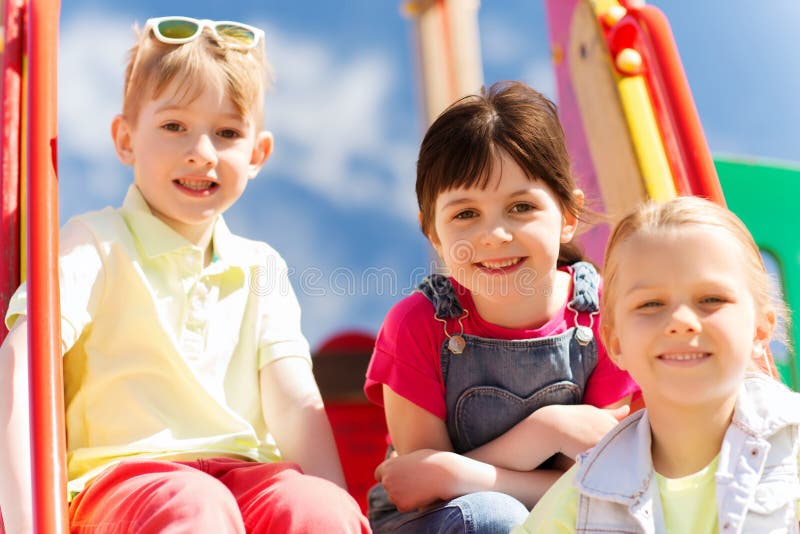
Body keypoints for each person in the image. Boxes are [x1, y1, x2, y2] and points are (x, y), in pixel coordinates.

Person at [0, 16, 369, 533]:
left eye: (227, 132)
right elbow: (23, 362)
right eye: (174, 126)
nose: (202, 151)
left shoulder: (261, 266)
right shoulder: (96, 243)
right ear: (126, 139)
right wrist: (27, 523)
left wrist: (337, 505)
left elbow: (294, 404)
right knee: (194, 505)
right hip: (126, 483)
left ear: (257, 153)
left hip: (246, 479)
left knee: (315, 508)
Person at [363, 81, 640, 533]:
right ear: (433, 231)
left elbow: (600, 483)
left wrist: (463, 469)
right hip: (443, 521)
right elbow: (420, 490)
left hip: (571, 514)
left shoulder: (605, 314)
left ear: (568, 215)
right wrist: (550, 432)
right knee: (497, 517)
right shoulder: (418, 325)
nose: (494, 235)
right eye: (465, 214)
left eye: (521, 206)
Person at [514, 196, 800, 533]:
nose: (680, 321)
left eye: (711, 299)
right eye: (651, 304)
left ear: (760, 329)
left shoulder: (791, 454)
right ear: (615, 342)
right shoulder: (585, 496)